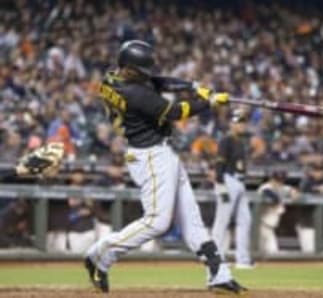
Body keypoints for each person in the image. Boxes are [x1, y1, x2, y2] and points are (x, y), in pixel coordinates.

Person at [84, 40, 246, 294]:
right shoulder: (135, 95)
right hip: (149, 156)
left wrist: (194, 87)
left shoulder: (112, 78)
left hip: (159, 152)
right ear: (129, 69)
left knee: (192, 221)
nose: (146, 74)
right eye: (141, 70)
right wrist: (208, 102)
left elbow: (158, 81)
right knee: (157, 222)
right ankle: (100, 254)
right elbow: (175, 112)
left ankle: (219, 274)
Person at [212, 109, 253, 269]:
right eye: (238, 121)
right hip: (228, 180)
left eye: (243, 121)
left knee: (245, 220)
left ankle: (242, 259)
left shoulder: (241, 141)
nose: (241, 124)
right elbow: (219, 163)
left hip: (240, 182)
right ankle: (216, 259)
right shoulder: (226, 140)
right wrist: (220, 183)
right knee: (222, 221)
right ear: (231, 123)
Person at [257, 170, 299, 254]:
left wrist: (294, 192)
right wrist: (279, 200)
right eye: (277, 180)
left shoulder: (282, 187)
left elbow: (292, 190)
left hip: (268, 226)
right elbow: (268, 193)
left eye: (281, 180)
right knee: (271, 251)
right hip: (260, 225)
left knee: (266, 252)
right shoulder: (265, 187)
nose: (279, 182)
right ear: (271, 179)